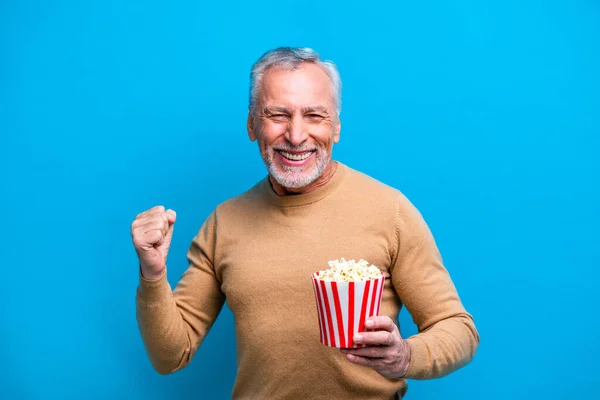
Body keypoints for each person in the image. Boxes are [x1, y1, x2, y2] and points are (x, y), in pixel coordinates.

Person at [132, 47, 479, 400]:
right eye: (278, 115)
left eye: (314, 115)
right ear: (252, 124)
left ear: (337, 127)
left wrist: (405, 356)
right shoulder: (224, 223)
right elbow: (170, 356)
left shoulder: (391, 210)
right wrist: (153, 274)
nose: (296, 136)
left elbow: (459, 330)